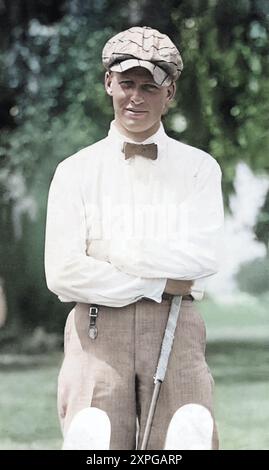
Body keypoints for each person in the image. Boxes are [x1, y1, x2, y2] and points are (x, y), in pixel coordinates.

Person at [44, 26, 224, 450]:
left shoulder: (199, 168)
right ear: (109, 83)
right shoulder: (75, 171)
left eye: (150, 86)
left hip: (177, 323)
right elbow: (63, 274)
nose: (136, 98)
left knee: (188, 435)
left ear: (171, 92)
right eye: (126, 83)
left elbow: (204, 256)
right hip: (97, 331)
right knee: (95, 441)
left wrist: (112, 251)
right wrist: (158, 281)